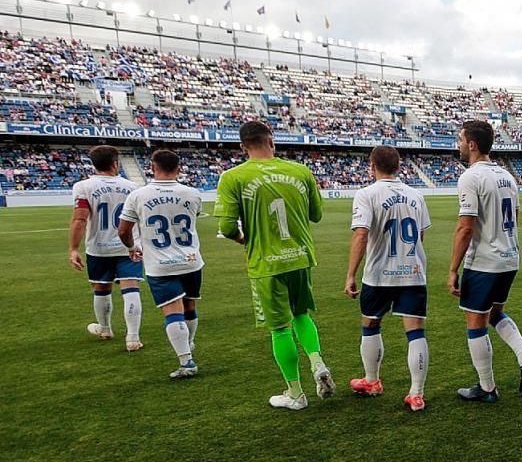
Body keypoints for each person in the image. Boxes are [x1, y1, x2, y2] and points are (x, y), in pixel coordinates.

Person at [215, 120, 334, 410]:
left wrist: (245, 239)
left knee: (279, 328)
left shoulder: (233, 177)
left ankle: (295, 394)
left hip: (266, 262)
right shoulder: (300, 171)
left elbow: (227, 226)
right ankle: (317, 362)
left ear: (243, 147)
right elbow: (316, 214)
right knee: (301, 315)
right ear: (272, 141)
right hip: (301, 257)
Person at [449, 120, 522, 402]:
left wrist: (453, 269)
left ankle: (487, 388)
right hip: (509, 258)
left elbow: (465, 227)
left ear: (472, 145)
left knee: (476, 321)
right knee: (496, 313)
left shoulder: (471, 177)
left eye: (461, 140)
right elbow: (516, 217)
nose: (459, 145)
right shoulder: (507, 177)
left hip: (484, 263)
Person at [344, 146, 433, 411]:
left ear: (372, 166)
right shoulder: (416, 195)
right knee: (415, 332)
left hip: (380, 274)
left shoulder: (366, 194)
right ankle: (416, 394)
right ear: (398, 166)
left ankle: (372, 381)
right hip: (413, 271)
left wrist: (350, 274)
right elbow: (420, 235)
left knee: (371, 325)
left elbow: (361, 234)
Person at [117, 149, 204, 379]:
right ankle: (189, 342)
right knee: (190, 306)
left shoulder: (138, 195)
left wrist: (131, 247)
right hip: (191, 260)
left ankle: (187, 362)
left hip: (160, 263)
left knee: (172, 312)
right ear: (178, 168)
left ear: (152, 167)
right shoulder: (192, 193)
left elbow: (124, 230)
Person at [68, 145, 144, 350]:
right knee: (131, 288)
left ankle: (105, 328)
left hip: (98, 247)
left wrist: (73, 248)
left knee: (101, 288)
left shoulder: (83, 187)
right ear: (115, 163)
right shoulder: (133, 187)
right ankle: (133, 338)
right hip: (128, 246)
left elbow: (80, 219)